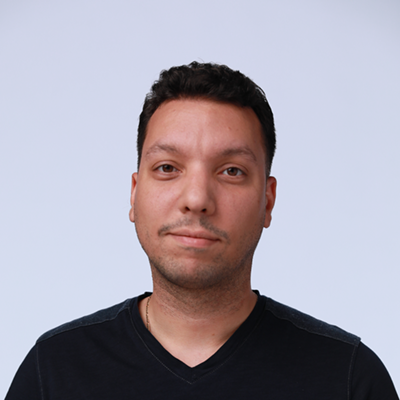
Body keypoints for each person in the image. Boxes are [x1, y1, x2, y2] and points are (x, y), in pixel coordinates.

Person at [6, 62, 398, 399]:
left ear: (267, 201)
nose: (196, 199)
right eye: (167, 168)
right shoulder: (53, 371)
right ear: (135, 193)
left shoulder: (348, 378)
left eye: (231, 171)